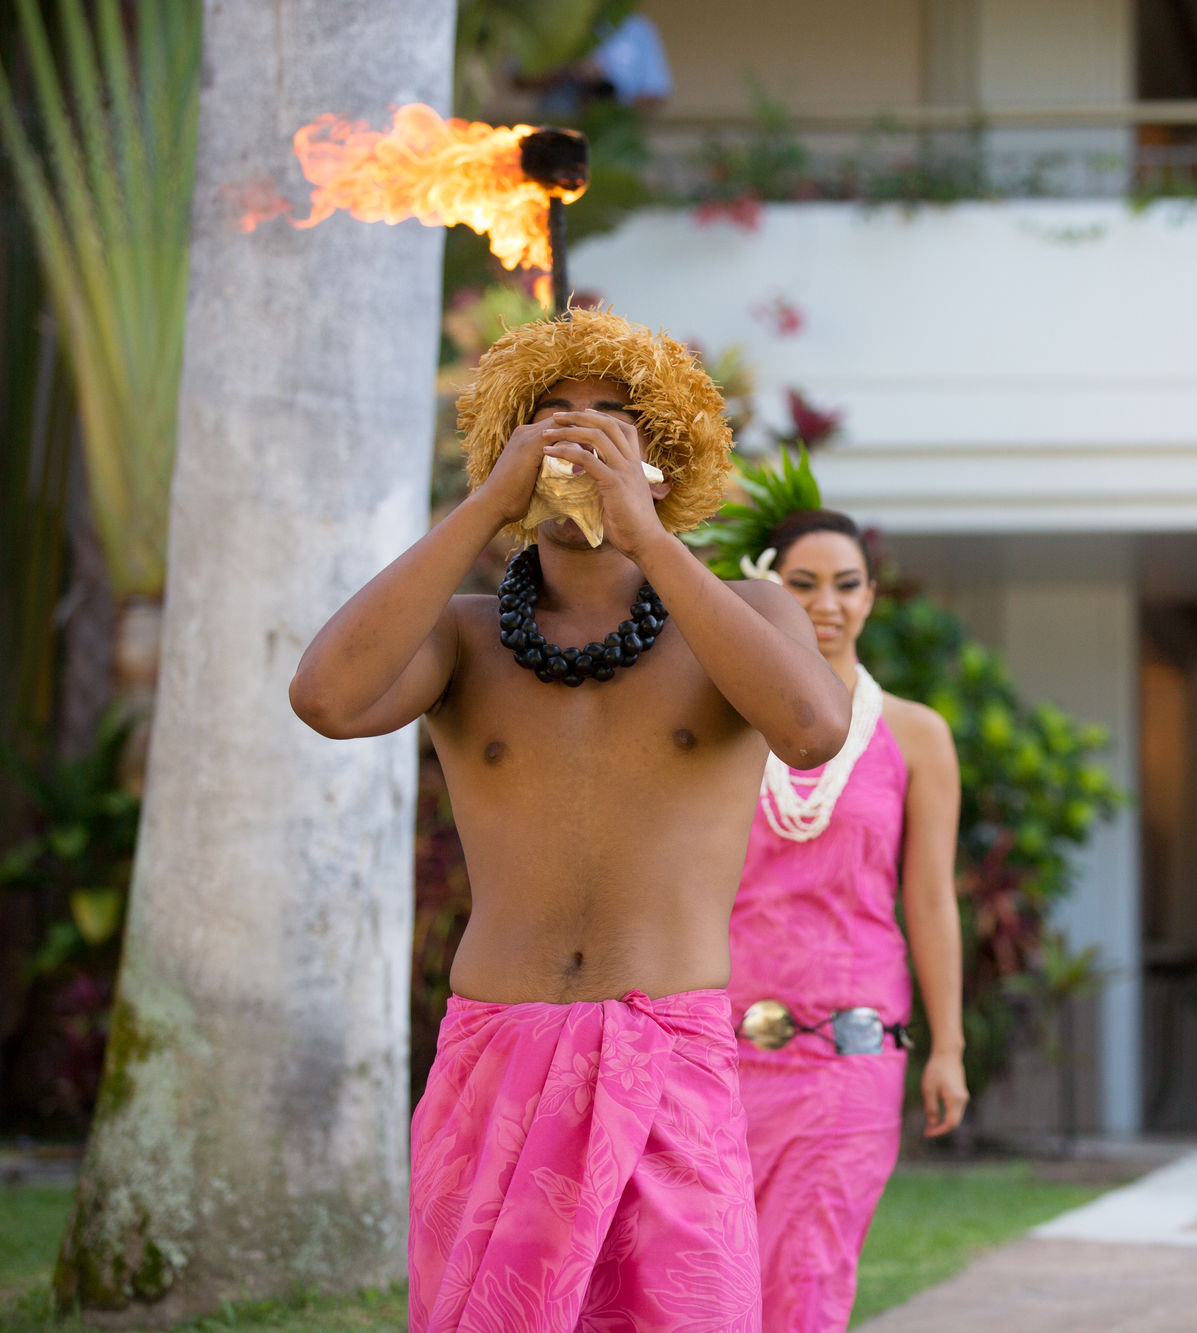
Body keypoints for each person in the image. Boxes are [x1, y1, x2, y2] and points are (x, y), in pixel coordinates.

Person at [289, 308, 852, 1332]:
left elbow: (812, 732)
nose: (578, 437)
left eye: (612, 418)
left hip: (670, 1053)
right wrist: (481, 509)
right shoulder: (460, 638)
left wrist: (646, 532)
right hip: (494, 1059)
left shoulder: (745, 617)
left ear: (666, 454)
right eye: (548, 417)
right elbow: (325, 699)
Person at [726, 503, 969, 1332]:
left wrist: (951, 1046)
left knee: (809, 1277)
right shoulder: (726, 723)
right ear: (768, 586)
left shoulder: (916, 734)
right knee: (710, 1273)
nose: (827, 603)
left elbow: (930, 899)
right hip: (721, 1048)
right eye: (803, 584)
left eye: (847, 584)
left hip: (850, 1050)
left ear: (871, 596)